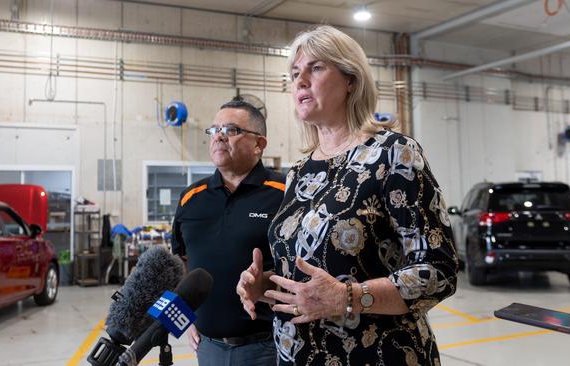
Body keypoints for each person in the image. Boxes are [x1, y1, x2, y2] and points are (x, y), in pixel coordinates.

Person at [236, 25, 458, 365]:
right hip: (298, 355)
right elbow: (310, 277)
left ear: (351, 79)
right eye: (295, 73)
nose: (301, 81)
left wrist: (347, 297)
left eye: (316, 68)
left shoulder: (393, 154)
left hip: (379, 353)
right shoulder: (299, 172)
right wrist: (264, 287)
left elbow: (438, 271)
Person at [171, 98, 284, 366]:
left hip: (269, 346)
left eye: (231, 130)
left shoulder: (286, 193)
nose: (219, 137)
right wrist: (184, 320)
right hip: (207, 349)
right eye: (214, 130)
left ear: (259, 144)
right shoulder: (191, 198)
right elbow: (177, 265)